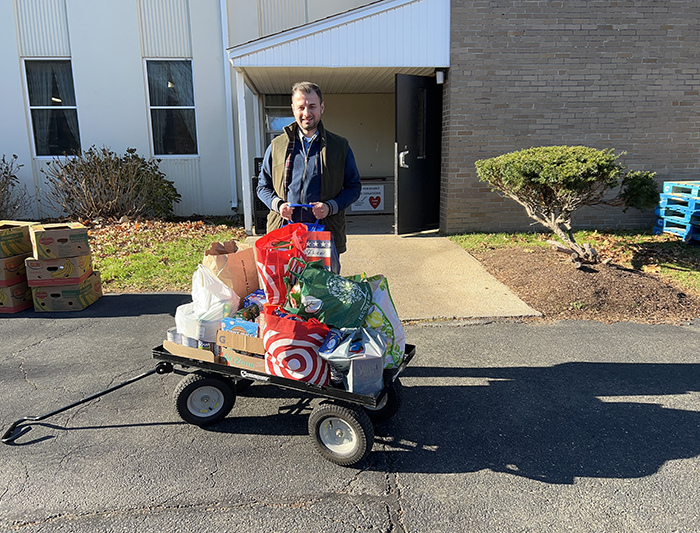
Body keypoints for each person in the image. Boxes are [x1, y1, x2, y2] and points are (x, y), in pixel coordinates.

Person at [256, 81, 361, 256]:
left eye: (312, 106)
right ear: (293, 109)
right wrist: (278, 205)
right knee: (288, 276)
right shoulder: (277, 146)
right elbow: (262, 187)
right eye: (301, 107)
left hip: (324, 237)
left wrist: (330, 207)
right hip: (284, 237)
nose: (306, 113)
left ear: (321, 108)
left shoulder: (339, 146)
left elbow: (354, 187)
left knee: (320, 275)